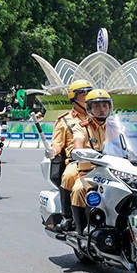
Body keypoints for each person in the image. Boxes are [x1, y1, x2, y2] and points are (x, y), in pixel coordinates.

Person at [68, 89, 112, 235]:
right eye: (97, 106)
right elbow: (78, 141)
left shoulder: (117, 127)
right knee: (78, 189)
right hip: (90, 173)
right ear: (89, 108)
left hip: (113, 173)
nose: (102, 109)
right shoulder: (82, 127)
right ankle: (81, 232)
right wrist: (79, 152)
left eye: (105, 106)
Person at [51, 79, 94, 231]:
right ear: (74, 97)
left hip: (102, 161)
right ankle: (67, 217)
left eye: (89, 92)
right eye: (84, 94)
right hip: (76, 161)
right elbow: (57, 143)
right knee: (69, 177)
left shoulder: (99, 114)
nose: (88, 96)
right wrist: (53, 150)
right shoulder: (65, 120)